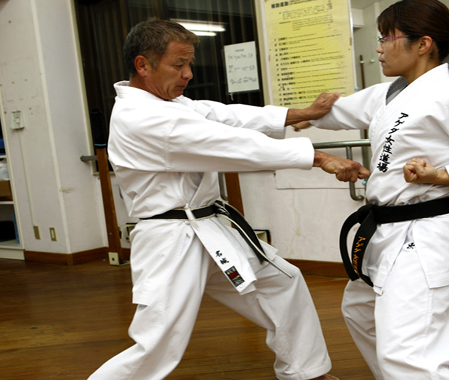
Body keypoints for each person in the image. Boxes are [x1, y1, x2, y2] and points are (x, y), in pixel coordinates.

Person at [88, 19, 370, 380]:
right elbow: (233, 145)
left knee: (283, 283)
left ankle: (306, 372)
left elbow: (226, 114)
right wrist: (319, 158)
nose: (188, 74)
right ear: (143, 65)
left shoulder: (171, 105)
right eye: (179, 65)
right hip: (170, 240)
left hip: (210, 228)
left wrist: (303, 113)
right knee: (157, 343)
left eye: (190, 64)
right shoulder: (143, 117)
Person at [294, 1, 449, 378]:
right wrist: (292, 119)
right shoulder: (387, 94)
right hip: (384, 231)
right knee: (362, 314)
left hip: (427, 234)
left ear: (422, 44)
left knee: (410, 356)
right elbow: (330, 113)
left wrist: (440, 176)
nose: (379, 47)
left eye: (387, 38)